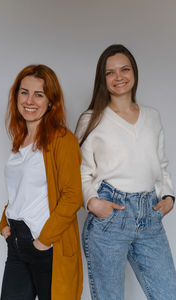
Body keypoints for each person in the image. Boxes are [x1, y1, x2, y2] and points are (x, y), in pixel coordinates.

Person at [75, 44, 176, 300]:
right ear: (102, 78)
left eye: (124, 69)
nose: (118, 77)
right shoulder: (91, 119)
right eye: (110, 72)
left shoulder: (152, 117)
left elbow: (161, 166)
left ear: (134, 72)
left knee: (167, 293)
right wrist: (93, 203)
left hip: (149, 215)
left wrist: (169, 197)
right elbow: (80, 172)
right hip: (110, 219)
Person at [0, 64, 83, 300]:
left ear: (50, 101)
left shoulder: (63, 140)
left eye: (39, 94)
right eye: (24, 92)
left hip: (47, 245)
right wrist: (3, 223)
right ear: (16, 97)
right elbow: (19, 192)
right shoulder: (19, 140)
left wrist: (44, 241)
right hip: (16, 242)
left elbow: (72, 196)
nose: (30, 100)